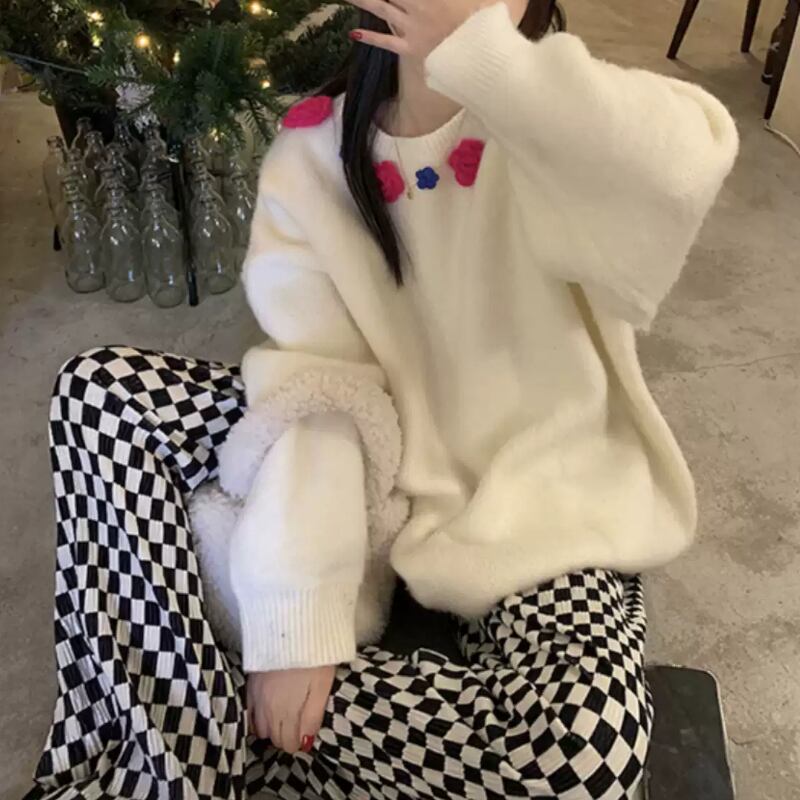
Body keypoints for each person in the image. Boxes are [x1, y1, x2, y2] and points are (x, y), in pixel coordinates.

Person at [33, 1, 738, 798]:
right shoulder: (311, 153)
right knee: (99, 392)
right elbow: (320, 385)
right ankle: (202, 721)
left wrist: (490, 61)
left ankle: (203, 688)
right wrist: (300, 613)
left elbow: (682, 166)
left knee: (582, 753)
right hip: (372, 472)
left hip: (543, 503)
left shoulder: (554, 118)